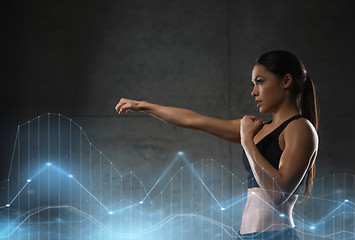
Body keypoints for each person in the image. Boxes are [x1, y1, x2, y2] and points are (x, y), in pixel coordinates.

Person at [115, 50, 319, 240]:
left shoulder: (299, 128)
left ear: (286, 81)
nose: (253, 92)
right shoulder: (257, 129)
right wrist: (143, 106)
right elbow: (194, 120)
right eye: (253, 84)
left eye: (259, 82)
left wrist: (247, 141)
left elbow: (278, 194)